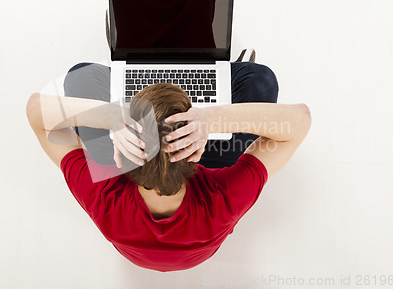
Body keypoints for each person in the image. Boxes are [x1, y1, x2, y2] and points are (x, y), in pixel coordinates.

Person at [26, 60, 311, 272]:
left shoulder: (105, 197)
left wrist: (111, 116)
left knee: (84, 73)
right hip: (191, 203)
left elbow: (36, 111)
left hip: (135, 191)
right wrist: (212, 119)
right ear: (197, 152)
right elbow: (300, 120)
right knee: (258, 78)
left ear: (121, 159)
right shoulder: (222, 199)